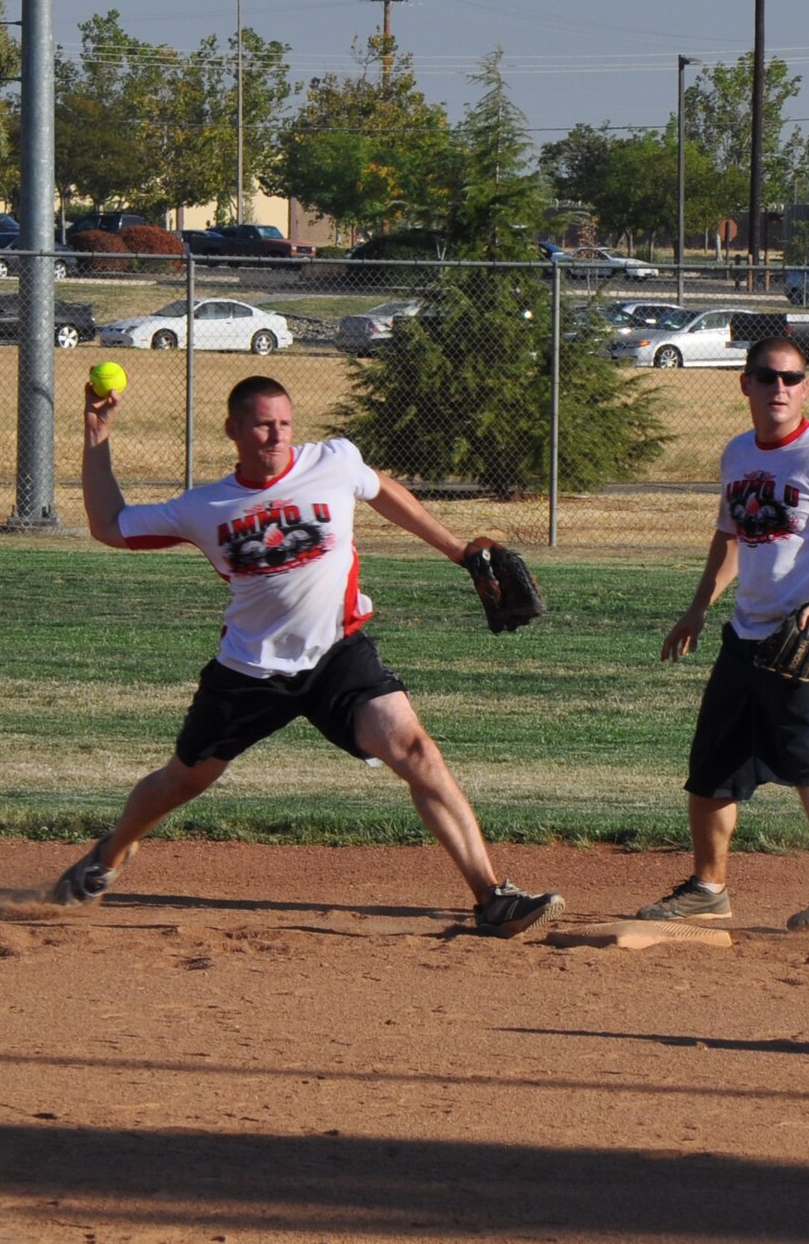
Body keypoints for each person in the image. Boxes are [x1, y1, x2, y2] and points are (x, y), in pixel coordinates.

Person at [60, 372, 564, 939]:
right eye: (261, 425)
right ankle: (110, 852)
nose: (276, 436)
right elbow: (109, 526)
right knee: (183, 780)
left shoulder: (333, 462)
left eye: (284, 424)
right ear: (233, 430)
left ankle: (491, 897)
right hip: (251, 671)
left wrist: (457, 551)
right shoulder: (207, 507)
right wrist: (97, 433)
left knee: (419, 752)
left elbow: (382, 490)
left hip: (337, 656)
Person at [639, 334, 809, 931]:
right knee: (713, 761)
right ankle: (708, 888)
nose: (778, 387)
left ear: (806, 387)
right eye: (766, 376)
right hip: (747, 632)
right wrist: (699, 606)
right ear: (746, 384)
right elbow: (732, 535)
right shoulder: (738, 455)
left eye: (790, 378)